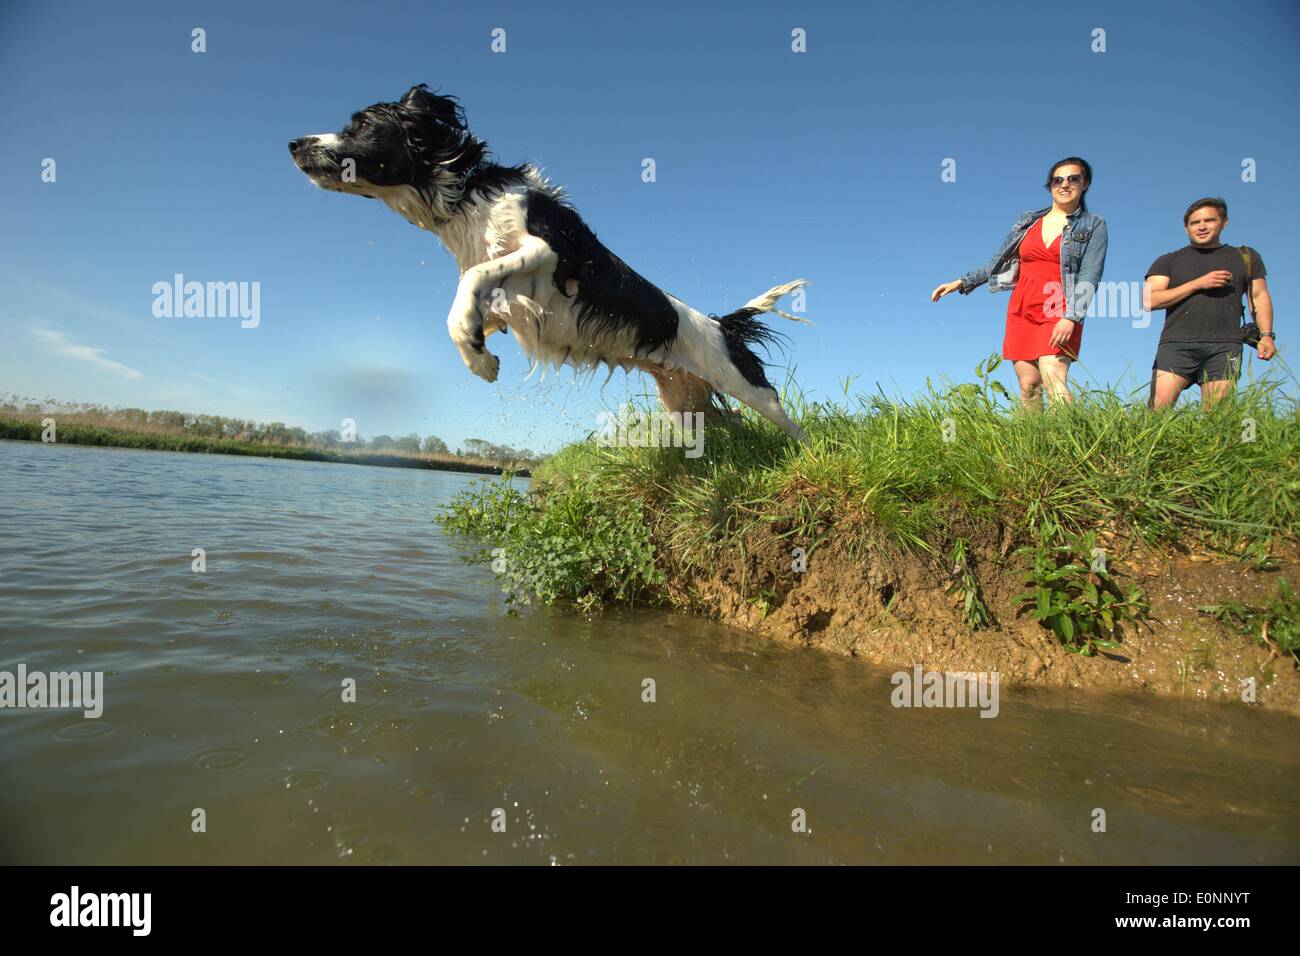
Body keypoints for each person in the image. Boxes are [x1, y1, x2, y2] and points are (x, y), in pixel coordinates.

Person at [931, 157, 1108, 409]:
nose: (1065, 184)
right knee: (1029, 386)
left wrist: (1072, 317)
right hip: (1022, 307)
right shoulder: (1029, 223)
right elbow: (998, 263)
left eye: (1073, 178)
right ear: (1050, 186)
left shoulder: (1093, 225)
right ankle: (1034, 447)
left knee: (1052, 375)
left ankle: (1076, 445)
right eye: (1058, 180)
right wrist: (962, 282)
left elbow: (1091, 274)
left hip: (1059, 307)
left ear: (1085, 183)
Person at [1143, 197, 1275, 408]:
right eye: (1195, 223)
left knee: (1218, 419)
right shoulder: (1168, 260)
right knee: (1157, 412)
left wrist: (1266, 335)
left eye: (1209, 220)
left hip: (1225, 345)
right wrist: (1198, 283)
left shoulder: (1246, 257)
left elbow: (1259, 296)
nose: (1202, 226)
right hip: (1177, 344)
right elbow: (1150, 300)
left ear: (1224, 222)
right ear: (1186, 228)